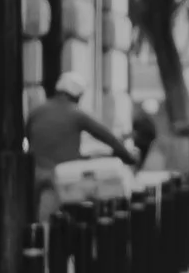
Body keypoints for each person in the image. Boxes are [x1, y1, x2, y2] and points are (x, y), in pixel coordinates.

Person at [25, 78, 141, 221]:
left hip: (34, 173)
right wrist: (127, 156)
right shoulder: (76, 113)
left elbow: (28, 137)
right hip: (61, 175)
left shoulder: (37, 111)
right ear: (77, 95)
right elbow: (107, 137)